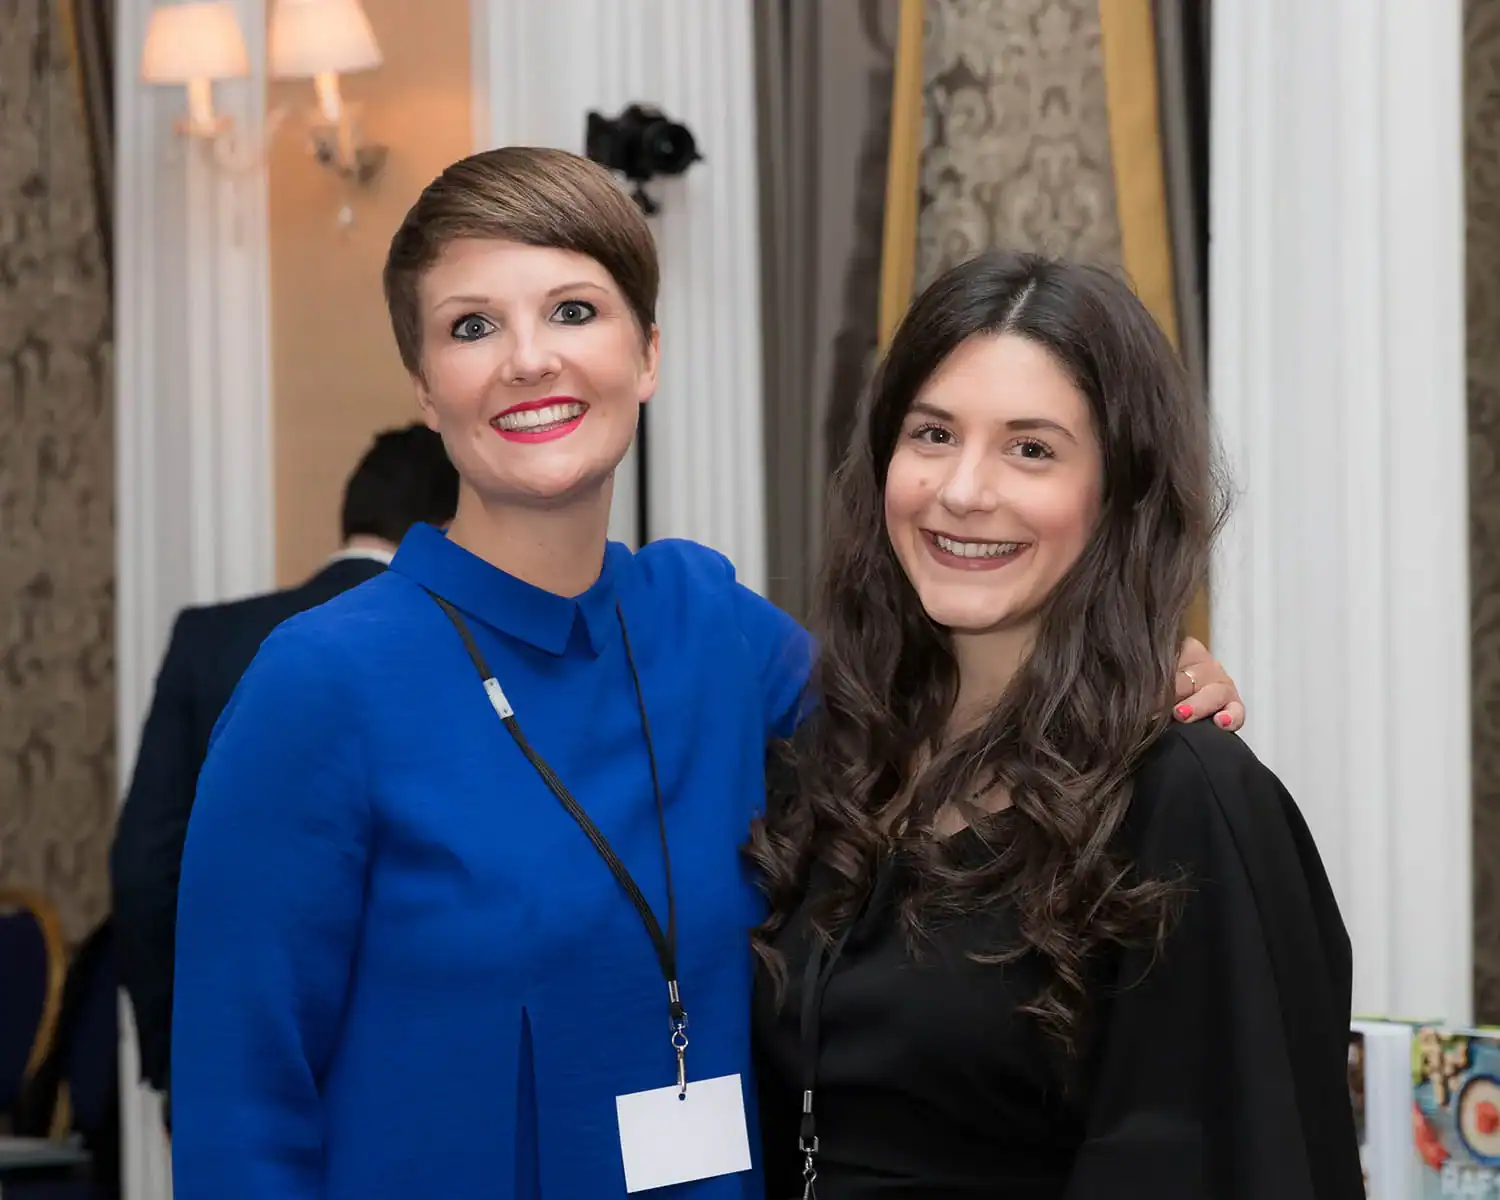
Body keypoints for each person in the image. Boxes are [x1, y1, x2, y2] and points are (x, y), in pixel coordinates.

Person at [169, 149, 1245, 1199]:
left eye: (574, 311)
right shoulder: (320, 687)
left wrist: (1139, 666)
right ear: (423, 381)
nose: (528, 359)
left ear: (647, 353)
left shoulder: (713, 630)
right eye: (471, 326)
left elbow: (930, 726)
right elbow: (242, 1112)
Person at [749, 252, 1362, 1198]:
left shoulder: (1186, 798)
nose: (963, 490)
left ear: (1117, 494)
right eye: (934, 434)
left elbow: (1237, 1160)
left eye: (1030, 448)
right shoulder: (829, 760)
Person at [110, 423, 457, 1106]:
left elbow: (146, 865)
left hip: (226, 1059)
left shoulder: (209, 641)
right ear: (446, 529)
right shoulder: (454, 647)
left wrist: (175, 1056)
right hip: (414, 1073)